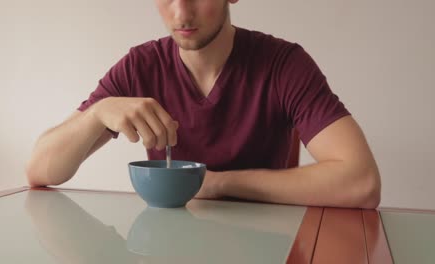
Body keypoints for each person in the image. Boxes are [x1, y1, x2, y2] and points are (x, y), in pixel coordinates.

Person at [26, 0, 381, 208]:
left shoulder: (283, 64)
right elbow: (39, 172)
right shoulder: (139, 65)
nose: (181, 14)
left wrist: (217, 184)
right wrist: (97, 114)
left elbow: (362, 182)